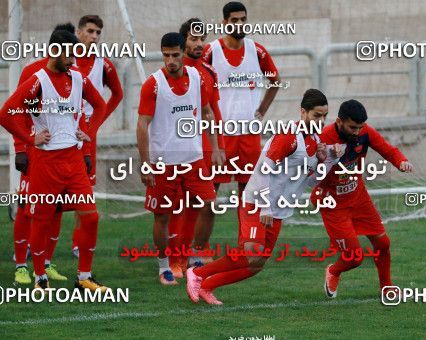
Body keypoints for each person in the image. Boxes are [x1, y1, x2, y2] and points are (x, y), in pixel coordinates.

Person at [186, 89, 344, 305]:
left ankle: (206, 286)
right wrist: (266, 207)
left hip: (278, 209)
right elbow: (264, 170)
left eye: (325, 116)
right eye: (317, 115)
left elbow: (310, 181)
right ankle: (198, 273)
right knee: (252, 252)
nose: (321, 120)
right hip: (257, 202)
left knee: (256, 265)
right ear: (303, 112)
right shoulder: (289, 136)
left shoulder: (316, 142)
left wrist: (330, 160)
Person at [0, 30, 108, 291]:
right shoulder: (37, 80)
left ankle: (84, 277)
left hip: (72, 159)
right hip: (45, 162)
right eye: (69, 54)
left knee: (91, 216)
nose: (73, 60)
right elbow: (6, 114)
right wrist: (29, 138)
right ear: (55, 52)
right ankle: (40, 278)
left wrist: (89, 134)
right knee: (41, 219)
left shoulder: (78, 78)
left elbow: (100, 105)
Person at [136, 32, 223, 285]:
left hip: (194, 159)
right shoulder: (153, 84)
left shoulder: (197, 77)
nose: (171, 60)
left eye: (175, 55)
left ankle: (194, 257)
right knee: (162, 216)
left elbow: (207, 112)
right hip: (164, 163)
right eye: (166, 55)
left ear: (183, 53)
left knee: (208, 205)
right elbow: (142, 125)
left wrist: (215, 147)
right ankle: (164, 266)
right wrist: (146, 164)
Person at [197, 1, 280, 246]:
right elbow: (197, 83)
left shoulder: (257, 50)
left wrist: (261, 111)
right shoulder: (211, 50)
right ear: (224, 23)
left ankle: (245, 242)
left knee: (249, 193)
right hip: (219, 135)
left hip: (249, 134)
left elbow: (275, 81)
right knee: (208, 194)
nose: (239, 24)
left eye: (243, 19)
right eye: (234, 20)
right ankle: (198, 249)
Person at [312, 99, 413, 298]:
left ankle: (386, 287)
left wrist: (401, 161)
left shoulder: (365, 131)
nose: (357, 131)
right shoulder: (323, 139)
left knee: (383, 244)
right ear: (339, 122)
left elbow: (387, 149)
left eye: (360, 127)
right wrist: (327, 157)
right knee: (354, 258)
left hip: (359, 198)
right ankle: (333, 271)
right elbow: (309, 172)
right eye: (352, 127)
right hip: (332, 204)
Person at [11, 22, 77, 285]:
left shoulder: (73, 75)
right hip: (35, 153)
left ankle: (46, 263)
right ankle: (20, 266)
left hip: (63, 155)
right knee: (29, 208)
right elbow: (17, 112)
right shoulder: (32, 72)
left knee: (57, 209)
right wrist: (20, 147)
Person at [71, 14, 124, 258]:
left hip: (87, 136)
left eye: (98, 33)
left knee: (83, 190)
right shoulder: (64, 59)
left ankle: (77, 241)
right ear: (79, 32)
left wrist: (98, 121)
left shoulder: (104, 64)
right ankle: (32, 243)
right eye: (90, 31)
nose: (94, 36)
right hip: (60, 131)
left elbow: (117, 94)